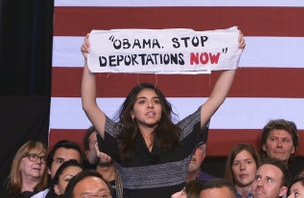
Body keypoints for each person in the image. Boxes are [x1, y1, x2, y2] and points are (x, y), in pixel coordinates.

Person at [80, 30, 246, 198]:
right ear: (131, 113)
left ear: (163, 110)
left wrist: (232, 57)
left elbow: (215, 99)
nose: (150, 105)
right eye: (142, 101)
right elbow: (89, 106)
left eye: (156, 101)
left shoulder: (180, 137)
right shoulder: (120, 140)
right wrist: (89, 61)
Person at [83, 127, 122, 197]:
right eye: (96, 143)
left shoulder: (129, 180)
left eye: (105, 142)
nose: (101, 147)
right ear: (87, 153)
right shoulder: (83, 182)